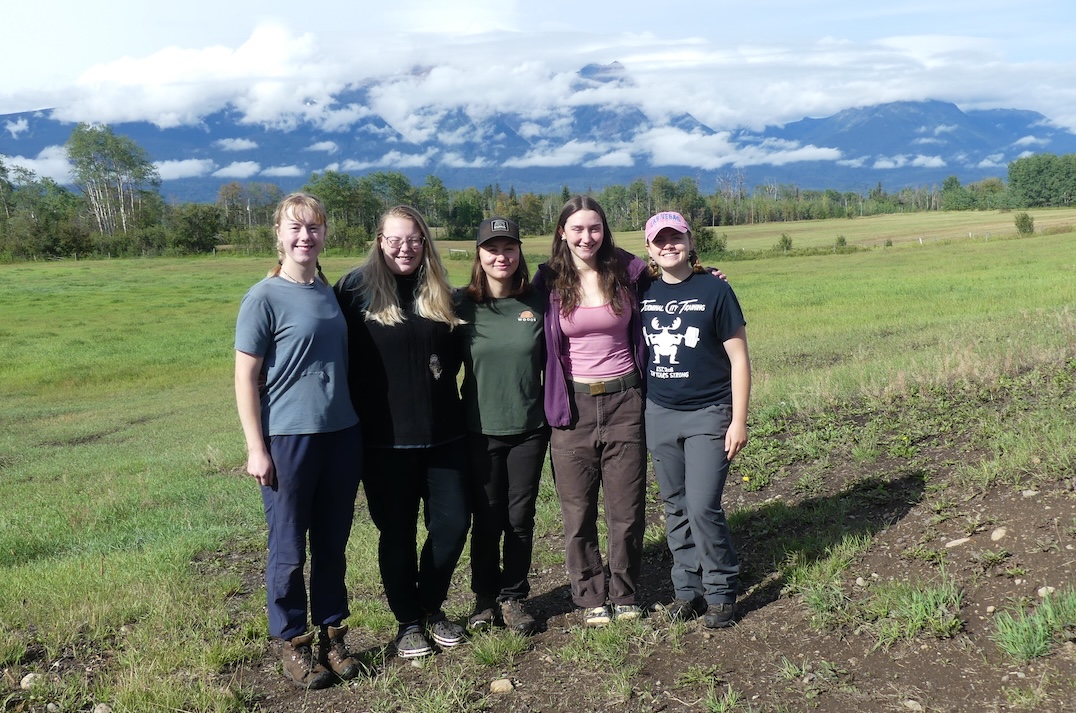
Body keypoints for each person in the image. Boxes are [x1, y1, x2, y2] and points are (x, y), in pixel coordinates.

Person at [234, 193, 364, 689]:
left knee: (332, 543)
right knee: (288, 548)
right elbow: (245, 377)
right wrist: (256, 447)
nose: (305, 236)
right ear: (279, 234)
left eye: (313, 227)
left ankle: (333, 636)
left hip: (342, 435)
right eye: (295, 227)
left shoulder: (329, 291)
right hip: (289, 438)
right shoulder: (263, 296)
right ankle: (293, 642)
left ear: (325, 233)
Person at [334, 205, 470, 659]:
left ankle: (430, 606)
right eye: (394, 239)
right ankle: (408, 623)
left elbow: (453, 356)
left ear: (425, 242)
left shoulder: (442, 292)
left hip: (445, 435)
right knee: (396, 534)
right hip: (384, 441)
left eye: (413, 239)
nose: (404, 248)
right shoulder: (353, 292)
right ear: (379, 242)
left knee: (453, 525)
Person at [533, 195, 649, 626]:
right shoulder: (547, 281)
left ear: (605, 230)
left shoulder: (628, 271)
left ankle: (624, 592)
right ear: (562, 232)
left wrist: (704, 274)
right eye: (578, 229)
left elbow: (672, 281)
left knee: (627, 509)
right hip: (572, 406)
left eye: (594, 227)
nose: (587, 237)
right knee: (577, 511)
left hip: (625, 402)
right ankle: (589, 595)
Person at [640, 210, 751, 629]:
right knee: (675, 506)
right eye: (660, 240)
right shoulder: (641, 291)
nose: (669, 245)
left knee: (703, 505)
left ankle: (721, 590)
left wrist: (738, 420)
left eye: (676, 237)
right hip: (660, 412)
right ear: (649, 249)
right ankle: (688, 590)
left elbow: (739, 359)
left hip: (709, 412)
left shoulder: (715, 290)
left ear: (690, 242)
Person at [456, 217, 547, 635]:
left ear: (519, 252)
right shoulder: (461, 306)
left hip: (529, 428)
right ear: (479, 255)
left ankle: (513, 597)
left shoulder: (538, 302)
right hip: (479, 430)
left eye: (509, 247)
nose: (501, 256)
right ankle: (484, 599)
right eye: (492, 249)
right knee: (487, 517)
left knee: (520, 517)